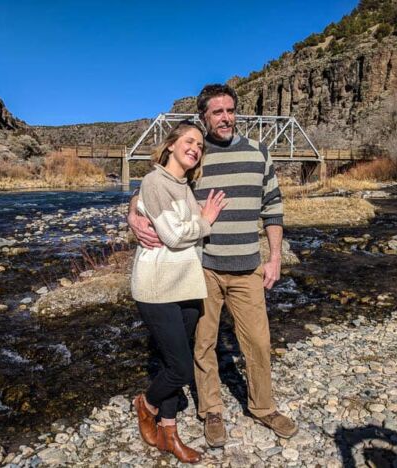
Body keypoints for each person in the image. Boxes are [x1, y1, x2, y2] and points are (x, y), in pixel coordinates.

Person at [128, 84, 298, 449]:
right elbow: (155, 184)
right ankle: (212, 412)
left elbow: (273, 207)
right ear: (204, 117)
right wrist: (131, 213)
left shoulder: (258, 152)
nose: (226, 117)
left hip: (248, 266)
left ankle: (264, 407)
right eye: (217, 112)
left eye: (230, 110)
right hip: (202, 269)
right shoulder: (196, 158)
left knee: (257, 341)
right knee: (203, 345)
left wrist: (274, 258)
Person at [131, 120, 226, 464]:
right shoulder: (156, 181)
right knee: (181, 370)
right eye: (189, 141)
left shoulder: (183, 184)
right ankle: (146, 404)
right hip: (157, 287)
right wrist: (207, 219)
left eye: (200, 145)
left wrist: (196, 221)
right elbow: (172, 236)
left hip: (186, 284)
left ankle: (170, 435)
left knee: (171, 359)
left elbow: (179, 231)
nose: (196, 148)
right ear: (170, 145)